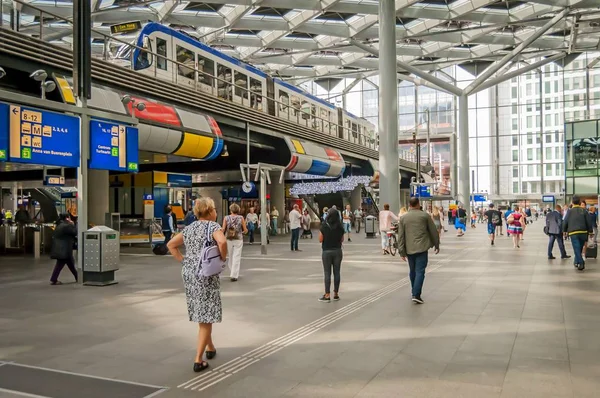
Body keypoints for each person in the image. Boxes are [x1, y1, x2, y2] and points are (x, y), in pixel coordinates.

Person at [167, 197, 227, 373]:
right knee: (207, 315)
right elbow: (222, 242)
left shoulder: (189, 228)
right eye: (214, 209)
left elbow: (171, 245)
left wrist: (184, 261)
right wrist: (223, 258)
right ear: (209, 211)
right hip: (206, 273)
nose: (216, 212)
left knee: (201, 310)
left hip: (190, 273)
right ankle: (198, 359)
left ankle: (210, 347)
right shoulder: (213, 227)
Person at [398, 197, 440, 304]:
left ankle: (414, 292)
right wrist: (436, 244)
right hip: (422, 248)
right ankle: (416, 294)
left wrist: (401, 251)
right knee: (420, 271)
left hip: (409, 249)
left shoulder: (403, 218)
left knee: (412, 271)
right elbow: (433, 231)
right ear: (418, 204)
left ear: (409, 205)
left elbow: (401, 236)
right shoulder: (424, 216)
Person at [318, 208, 345, 302]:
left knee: (327, 273)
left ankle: (327, 295)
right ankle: (336, 294)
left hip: (326, 251)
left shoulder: (324, 226)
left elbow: (320, 239)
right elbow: (342, 240)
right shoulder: (340, 227)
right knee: (337, 272)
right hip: (337, 251)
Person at [563, 195, 593, 271]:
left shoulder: (569, 211)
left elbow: (565, 222)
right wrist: (591, 231)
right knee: (579, 248)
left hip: (574, 233)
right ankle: (576, 261)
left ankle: (581, 262)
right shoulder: (584, 211)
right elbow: (589, 222)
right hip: (583, 232)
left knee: (576, 248)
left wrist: (564, 231)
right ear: (579, 202)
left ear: (572, 202)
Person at [49, 213, 78, 285]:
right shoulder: (66, 226)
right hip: (65, 249)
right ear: (67, 218)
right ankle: (54, 279)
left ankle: (78, 277)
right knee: (61, 264)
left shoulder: (60, 225)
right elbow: (75, 232)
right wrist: (73, 224)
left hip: (62, 249)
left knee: (70, 263)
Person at [222, 203, 247, 282]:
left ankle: (232, 272)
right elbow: (245, 229)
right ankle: (234, 274)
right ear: (238, 210)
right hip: (238, 238)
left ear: (230, 210)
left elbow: (223, 229)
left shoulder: (226, 218)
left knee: (230, 255)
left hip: (228, 238)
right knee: (237, 256)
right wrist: (245, 231)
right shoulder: (241, 218)